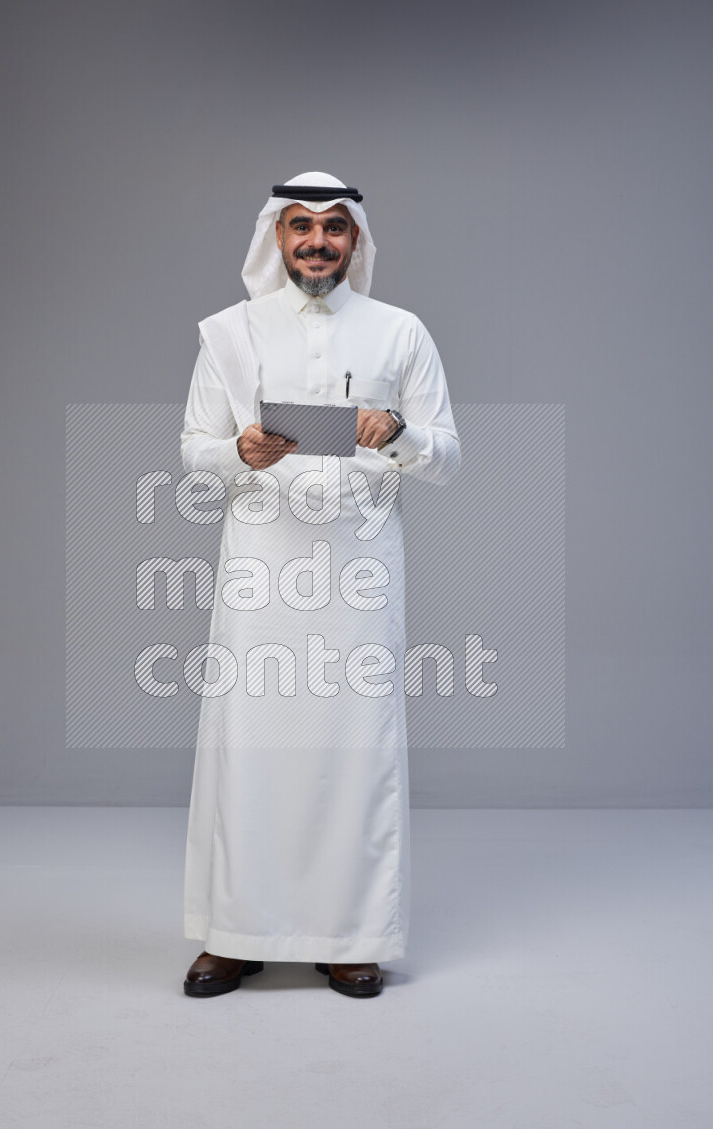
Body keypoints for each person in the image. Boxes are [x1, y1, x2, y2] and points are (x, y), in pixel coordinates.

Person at [180, 171, 461, 998]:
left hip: (359, 573)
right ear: (276, 236)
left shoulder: (400, 332)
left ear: (356, 240)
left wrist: (400, 433)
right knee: (249, 744)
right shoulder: (231, 334)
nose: (316, 241)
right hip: (259, 571)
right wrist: (240, 451)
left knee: (354, 745)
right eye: (299, 225)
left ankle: (351, 933)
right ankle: (233, 934)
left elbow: (447, 455)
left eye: (334, 228)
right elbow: (194, 449)